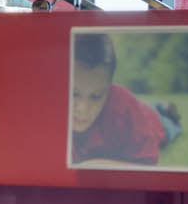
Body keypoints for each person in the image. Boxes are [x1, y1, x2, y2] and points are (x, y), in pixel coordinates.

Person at [71, 30, 173, 165]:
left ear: (109, 88)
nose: (83, 109)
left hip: (152, 121)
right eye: (74, 94)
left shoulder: (124, 110)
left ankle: (165, 109)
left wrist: (97, 165)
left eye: (96, 96)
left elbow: (148, 164)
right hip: (136, 110)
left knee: (167, 123)